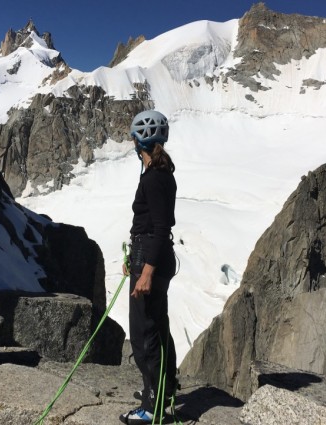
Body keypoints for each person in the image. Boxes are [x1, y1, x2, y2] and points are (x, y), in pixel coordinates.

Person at [120, 110, 178, 425]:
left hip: (151, 255)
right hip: (152, 254)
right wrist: (138, 259)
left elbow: (158, 225)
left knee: (145, 333)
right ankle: (163, 392)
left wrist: (146, 269)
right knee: (158, 325)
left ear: (140, 140)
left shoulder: (154, 177)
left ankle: (152, 407)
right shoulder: (160, 173)